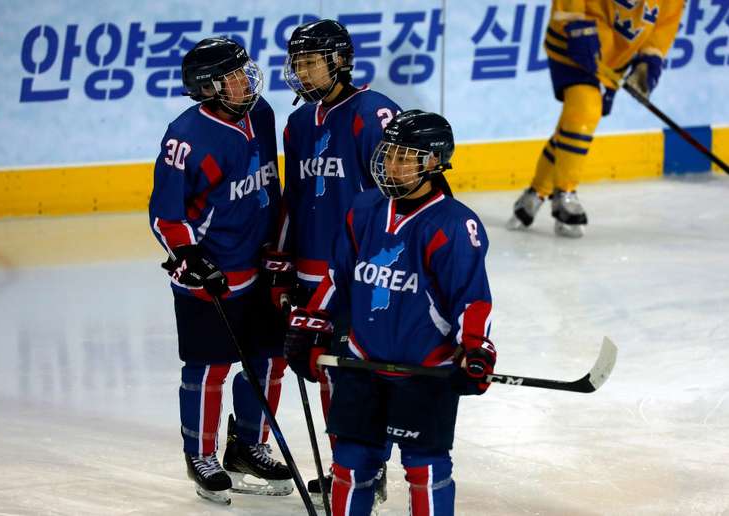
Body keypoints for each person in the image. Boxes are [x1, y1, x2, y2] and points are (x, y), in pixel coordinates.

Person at [284, 110, 497, 516]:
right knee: (349, 466)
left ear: (434, 162)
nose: (391, 164)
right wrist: (313, 323)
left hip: (424, 371)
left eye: (405, 156)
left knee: (425, 470)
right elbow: (338, 277)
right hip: (362, 364)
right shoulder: (364, 209)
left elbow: (472, 299)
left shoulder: (454, 225)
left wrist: (475, 347)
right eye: (389, 153)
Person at [148, 37, 292, 505]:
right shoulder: (185, 137)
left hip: (259, 265)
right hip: (211, 275)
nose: (244, 79)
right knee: (209, 367)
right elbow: (165, 213)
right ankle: (201, 454)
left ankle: (249, 445)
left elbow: (268, 184)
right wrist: (190, 257)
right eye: (232, 75)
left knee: (270, 361)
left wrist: (279, 247)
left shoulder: (263, 112)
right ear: (208, 88)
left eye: (244, 69)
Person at [270, 18, 401, 503]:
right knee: (327, 370)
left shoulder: (374, 113)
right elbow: (294, 197)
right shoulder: (299, 122)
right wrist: (283, 264)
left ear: (339, 61)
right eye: (297, 64)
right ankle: (347, 467)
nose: (302, 73)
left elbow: (393, 197)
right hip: (310, 272)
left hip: (358, 273)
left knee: (359, 373)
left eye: (311, 63)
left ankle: (370, 464)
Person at [507, 0, 684, 237]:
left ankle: (534, 195)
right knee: (586, 110)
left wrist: (647, 63)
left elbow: (664, 25)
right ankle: (565, 195)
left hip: (612, 61)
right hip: (571, 41)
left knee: (574, 126)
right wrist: (576, 21)